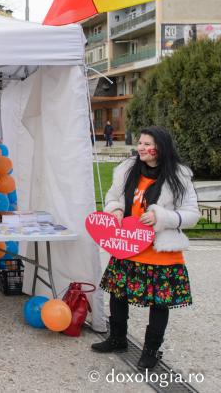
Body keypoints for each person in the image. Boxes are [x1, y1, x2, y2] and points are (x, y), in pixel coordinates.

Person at [91, 126, 199, 369]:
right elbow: (112, 196)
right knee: (119, 294)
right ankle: (117, 338)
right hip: (128, 246)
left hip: (161, 252)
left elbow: (192, 214)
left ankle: (151, 350)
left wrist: (161, 216)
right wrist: (115, 208)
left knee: (159, 304)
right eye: (139, 142)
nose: (140, 147)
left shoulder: (179, 175)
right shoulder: (127, 170)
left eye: (146, 143)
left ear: (160, 148)